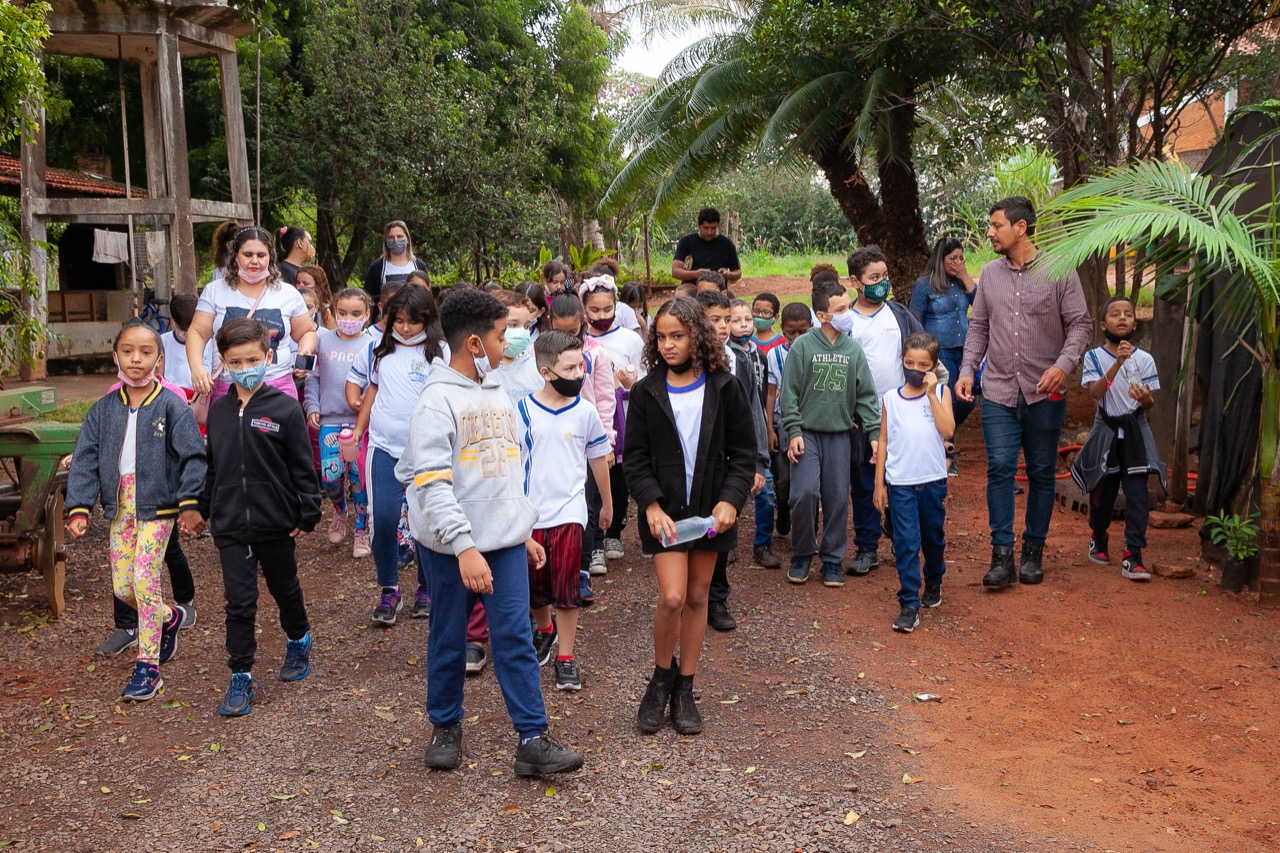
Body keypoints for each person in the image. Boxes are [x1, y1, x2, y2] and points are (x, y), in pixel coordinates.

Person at [400, 287, 583, 776]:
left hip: (502, 545)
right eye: (503, 336)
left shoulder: (499, 391)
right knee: (448, 636)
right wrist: (464, 546)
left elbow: (509, 469)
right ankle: (445, 725)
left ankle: (532, 738)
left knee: (515, 637)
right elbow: (427, 481)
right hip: (450, 550)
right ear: (475, 345)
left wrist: (517, 527)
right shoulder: (436, 402)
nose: (511, 345)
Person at [625, 296, 757, 734]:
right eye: (661, 337)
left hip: (711, 513)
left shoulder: (724, 387)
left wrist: (730, 501)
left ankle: (685, 687)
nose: (667, 345)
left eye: (677, 336)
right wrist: (650, 505)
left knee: (699, 596)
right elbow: (635, 458)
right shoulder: (646, 391)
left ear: (697, 336)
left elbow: (743, 453)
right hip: (665, 515)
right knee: (672, 597)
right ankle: (660, 678)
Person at [66, 321, 206, 700]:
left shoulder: (172, 406)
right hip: (119, 507)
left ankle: (148, 668)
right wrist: (78, 506)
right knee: (123, 587)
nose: (136, 359)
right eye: (128, 351)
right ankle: (170, 617)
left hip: (158, 505)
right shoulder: (103, 410)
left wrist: (189, 502)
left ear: (159, 360)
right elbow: (84, 459)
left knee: (145, 583)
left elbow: (193, 456)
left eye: (146, 352)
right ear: (116, 357)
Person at [956, 196, 1091, 588]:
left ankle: (1033, 550)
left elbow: (1080, 325)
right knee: (999, 468)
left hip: (1043, 392)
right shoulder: (990, 275)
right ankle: (1002, 557)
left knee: (1041, 471)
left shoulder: (1060, 270)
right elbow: (978, 327)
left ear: (1021, 228)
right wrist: (967, 370)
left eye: (996, 225)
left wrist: (1062, 367)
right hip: (997, 388)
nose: (989, 232)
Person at [200, 318, 321, 716]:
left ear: (268, 357)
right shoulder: (218, 413)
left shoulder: (285, 410)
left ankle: (299, 639)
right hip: (231, 525)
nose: (244, 367)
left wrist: (307, 512)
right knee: (239, 602)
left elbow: (303, 468)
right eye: (235, 362)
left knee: (285, 589)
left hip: (275, 523)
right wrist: (203, 509)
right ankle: (241, 676)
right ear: (223, 362)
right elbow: (213, 468)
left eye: (252, 359)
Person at [517, 331, 614, 691]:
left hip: (571, 513)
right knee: (534, 587)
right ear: (545, 371)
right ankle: (545, 629)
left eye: (580, 366)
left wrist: (607, 502)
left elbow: (598, 457)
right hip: (531, 516)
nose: (578, 374)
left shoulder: (586, 412)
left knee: (568, 588)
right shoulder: (522, 411)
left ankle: (567, 657)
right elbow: (515, 465)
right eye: (569, 368)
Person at [842, 245, 947, 579]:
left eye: (884, 276)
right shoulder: (847, 322)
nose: (882, 283)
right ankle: (867, 547)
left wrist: (938, 388)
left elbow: (927, 353)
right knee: (863, 479)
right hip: (859, 416)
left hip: (901, 413)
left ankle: (902, 532)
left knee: (898, 476)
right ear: (855, 282)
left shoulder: (900, 315)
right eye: (874, 278)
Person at [780, 277, 880, 586]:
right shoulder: (802, 346)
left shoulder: (853, 350)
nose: (848, 312)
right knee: (804, 493)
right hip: (807, 434)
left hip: (840, 435)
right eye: (840, 309)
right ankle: (802, 553)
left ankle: (833, 560)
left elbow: (866, 396)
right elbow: (789, 393)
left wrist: (875, 435)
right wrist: (793, 430)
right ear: (822, 315)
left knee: (837, 497)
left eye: (848, 306)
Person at [355, 285, 444, 625]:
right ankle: (389, 588)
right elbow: (372, 391)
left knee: (426, 521)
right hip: (383, 448)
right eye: (399, 321)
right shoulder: (379, 350)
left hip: (427, 450)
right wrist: (359, 432)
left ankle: (426, 588)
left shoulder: (441, 352)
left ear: (428, 320)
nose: (406, 329)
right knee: (386, 518)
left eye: (413, 322)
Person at [1070, 295, 1165, 581]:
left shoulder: (1145, 359)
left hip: (1135, 431)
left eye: (1128, 313)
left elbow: (1148, 406)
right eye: (1115, 314)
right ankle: (1098, 536)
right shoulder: (1094, 357)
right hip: (1107, 429)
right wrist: (1118, 364)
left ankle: (1133, 554)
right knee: (1104, 490)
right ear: (1103, 324)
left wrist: (1146, 398)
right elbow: (1096, 393)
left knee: (1137, 494)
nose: (1122, 318)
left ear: (1135, 322)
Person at [873, 332, 954, 634]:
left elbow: (947, 431)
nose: (915, 369)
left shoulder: (942, 393)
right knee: (906, 542)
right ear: (902, 362)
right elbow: (883, 440)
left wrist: (932, 395)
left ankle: (934, 579)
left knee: (932, 537)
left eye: (922, 365)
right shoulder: (891, 398)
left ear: (933, 366)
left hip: (931, 481)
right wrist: (879, 483)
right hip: (900, 482)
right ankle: (909, 602)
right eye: (909, 363)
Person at [697, 291, 768, 631]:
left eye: (727, 319)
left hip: (726, 462)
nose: (724, 327)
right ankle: (689, 595)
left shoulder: (737, 359)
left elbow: (752, 409)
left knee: (721, 529)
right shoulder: (680, 361)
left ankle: (717, 598)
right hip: (691, 462)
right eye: (715, 320)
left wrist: (757, 461)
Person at [186, 226, 319, 404]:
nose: (254, 261)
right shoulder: (215, 291)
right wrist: (197, 368)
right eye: (248, 255)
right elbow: (197, 332)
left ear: (270, 257)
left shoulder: (288, 293)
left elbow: (306, 332)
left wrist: (305, 350)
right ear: (235, 256)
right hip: (229, 388)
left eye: (261, 255)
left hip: (277, 387)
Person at [549, 293, 618, 603]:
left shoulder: (596, 354)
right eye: (560, 331)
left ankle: (582, 571)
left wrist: (607, 443)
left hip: (587, 439)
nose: (567, 338)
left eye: (573, 332)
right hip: (552, 439)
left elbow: (606, 400)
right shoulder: (540, 354)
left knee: (587, 506)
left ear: (583, 325)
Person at [581, 275, 645, 564]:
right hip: (590, 418)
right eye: (595, 310)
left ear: (616, 306)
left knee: (619, 477)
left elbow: (642, 376)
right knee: (592, 481)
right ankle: (593, 540)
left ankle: (615, 531)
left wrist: (629, 383)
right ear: (584, 309)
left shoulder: (630, 339)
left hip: (624, 418)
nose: (602, 316)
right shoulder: (582, 341)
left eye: (607, 310)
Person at [305, 287, 373, 557]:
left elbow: (377, 383)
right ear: (333, 312)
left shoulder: (373, 344)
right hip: (330, 422)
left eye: (356, 313)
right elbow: (313, 377)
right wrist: (312, 405)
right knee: (331, 476)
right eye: (342, 312)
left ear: (367, 314)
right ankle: (339, 511)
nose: (349, 318)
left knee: (359, 479)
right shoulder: (322, 341)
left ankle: (361, 530)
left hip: (361, 423)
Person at [909, 237, 978, 474]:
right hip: (940, 352)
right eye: (953, 259)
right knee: (951, 398)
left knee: (970, 398)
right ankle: (948, 452)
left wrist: (966, 277)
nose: (958, 262)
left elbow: (982, 305)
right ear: (941, 259)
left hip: (965, 350)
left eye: (961, 258)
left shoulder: (962, 284)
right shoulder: (925, 285)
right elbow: (915, 320)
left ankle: (938, 432)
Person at [763, 303, 813, 560]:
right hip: (782, 422)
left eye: (802, 332)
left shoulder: (816, 351)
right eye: (791, 333)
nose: (796, 338)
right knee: (783, 478)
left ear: (811, 329)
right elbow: (771, 393)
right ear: (782, 330)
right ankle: (783, 508)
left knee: (809, 480)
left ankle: (810, 531)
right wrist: (769, 427)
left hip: (810, 422)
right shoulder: (775, 355)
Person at [362, 220, 428, 306]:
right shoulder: (377, 268)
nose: (396, 240)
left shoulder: (419, 266)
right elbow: (367, 298)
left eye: (400, 236)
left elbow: (427, 295)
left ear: (407, 239)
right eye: (391, 237)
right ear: (386, 241)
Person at [671, 207, 741, 285]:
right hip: (691, 289)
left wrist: (728, 275)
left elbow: (737, 272)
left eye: (713, 228)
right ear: (699, 226)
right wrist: (695, 274)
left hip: (717, 291)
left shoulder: (726, 244)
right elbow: (675, 271)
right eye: (706, 228)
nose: (709, 232)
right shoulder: (686, 242)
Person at [295, 264, 336, 330]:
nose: (300, 286)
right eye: (298, 282)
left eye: (305, 283)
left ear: (318, 287)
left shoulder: (326, 311)